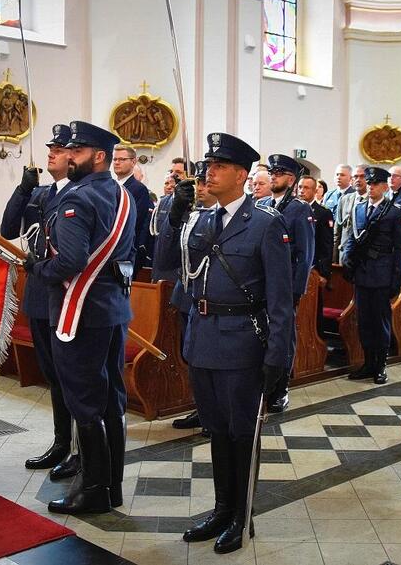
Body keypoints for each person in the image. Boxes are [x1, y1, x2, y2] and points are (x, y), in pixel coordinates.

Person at [158, 132, 294, 554]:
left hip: (242, 343)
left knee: (241, 433)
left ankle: (241, 515)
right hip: (202, 339)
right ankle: (221, 509)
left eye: (218, 166)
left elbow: (281, 300)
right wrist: (175, 215)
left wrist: (279, 359)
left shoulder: (266, 224)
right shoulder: (198, 219)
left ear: (241, 174)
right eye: (206, 165)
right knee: (216, 430)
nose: (207, 172)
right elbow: (166, 267)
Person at [25, 120, 136, 515]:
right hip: (112, 311)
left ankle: (92, 490)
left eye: (78, 151)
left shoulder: (78, 199)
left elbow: (69, 262)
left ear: (99, 156)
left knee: (85, 403)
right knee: (110, 402)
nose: (69, 156)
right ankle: (112, 487)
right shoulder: (122, 196)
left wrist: (37, 269)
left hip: (79, 312)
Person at [0, 124, 80, 481]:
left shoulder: (78, 194)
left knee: (69, 376)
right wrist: (22, 189)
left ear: (73, 157)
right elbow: (7, 229)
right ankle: (61, 442)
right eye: (50, 147)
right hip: (38, 295)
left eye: (60, 149)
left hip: (65, 295)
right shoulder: (40, 194)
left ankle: (76, 447)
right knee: (52, 376)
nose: (51, 153)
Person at [164, 162, 216, 434]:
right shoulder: (191, 215)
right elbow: (164, 256)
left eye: (206, 183)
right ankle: (202, 408)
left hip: (212, 299)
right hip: (187, 295)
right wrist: (175, 213)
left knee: (211, 361)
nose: (201, 190)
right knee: (192, 358)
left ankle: (214, 413)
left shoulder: (224, 218)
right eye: (198, 184)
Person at [341, 167, 401, 384]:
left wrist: (396, 280)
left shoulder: (395, 211)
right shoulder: (359, 208)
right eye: (369, 183)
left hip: (382, 275)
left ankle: (380, 366)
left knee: (380, 322)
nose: (370, 187)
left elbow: (400, 248)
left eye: (375, 184)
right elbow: (353, 235)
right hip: (362, 274)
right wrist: (348, 258)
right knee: (364, 321)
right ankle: (368, 363)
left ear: (385, 187)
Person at [261, 153, 315, 413]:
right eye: (272, 172)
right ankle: (265, 385)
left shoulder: (299, 209)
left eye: (279, 173)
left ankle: (280, 390)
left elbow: (305, 255)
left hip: (285, 288)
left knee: (284, 338)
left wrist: (295, 291)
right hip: (264, 286)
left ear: (291, 179)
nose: (274, 176)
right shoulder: (262, 204)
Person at [113, 144, 155, 268]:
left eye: (122, 159)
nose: (117, 162)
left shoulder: (139, 189)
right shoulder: (109, 186)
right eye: (115, 159)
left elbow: (135, 221)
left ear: (133, 161)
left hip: (125, 249)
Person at [299, 175, 334, 287]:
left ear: (315, 191)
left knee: (313, 302)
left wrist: (323, 272)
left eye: (306, 188)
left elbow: (326, 245)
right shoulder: (292, 209)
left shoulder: (322, 213)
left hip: (313, 266)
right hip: (296, 265)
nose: (302, 191)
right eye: (300, 187)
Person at [334, 166, 368, 263]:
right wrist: (334, 259)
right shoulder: (344, 199)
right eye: (355, 177)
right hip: (344, 255)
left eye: (362, 177)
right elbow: (337, 232)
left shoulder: (373, 201)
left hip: (363, 259)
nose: (358, 180)